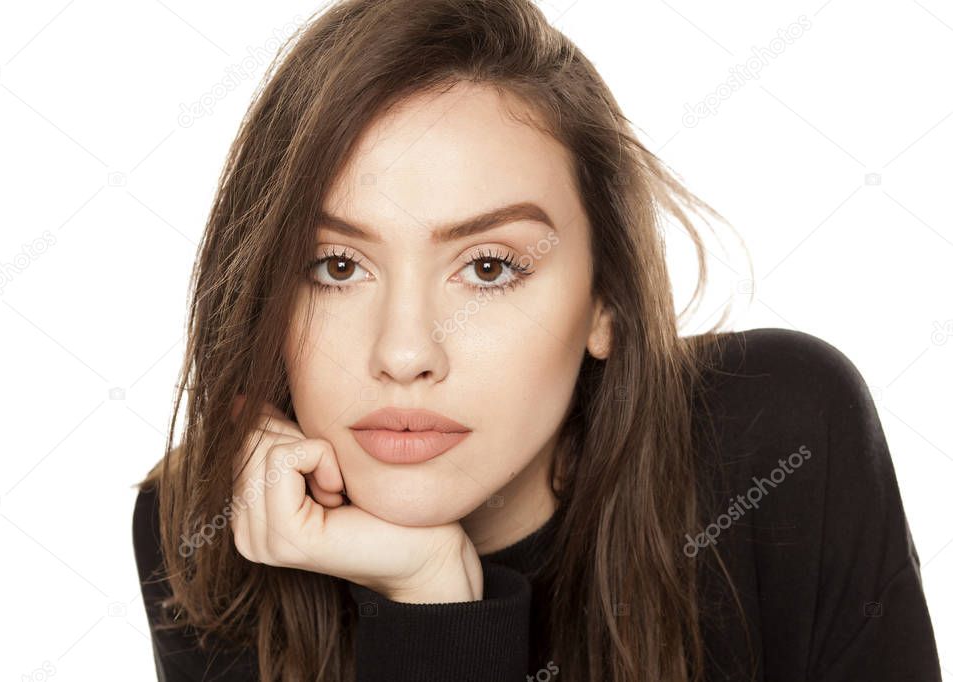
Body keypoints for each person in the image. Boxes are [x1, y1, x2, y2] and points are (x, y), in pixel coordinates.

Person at [131, 0, 942, 680]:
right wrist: (428, 597)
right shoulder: (213, 525)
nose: (406, 352)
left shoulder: (775, 435)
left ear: (603, 304)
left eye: (488, 268)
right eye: (336, 265)